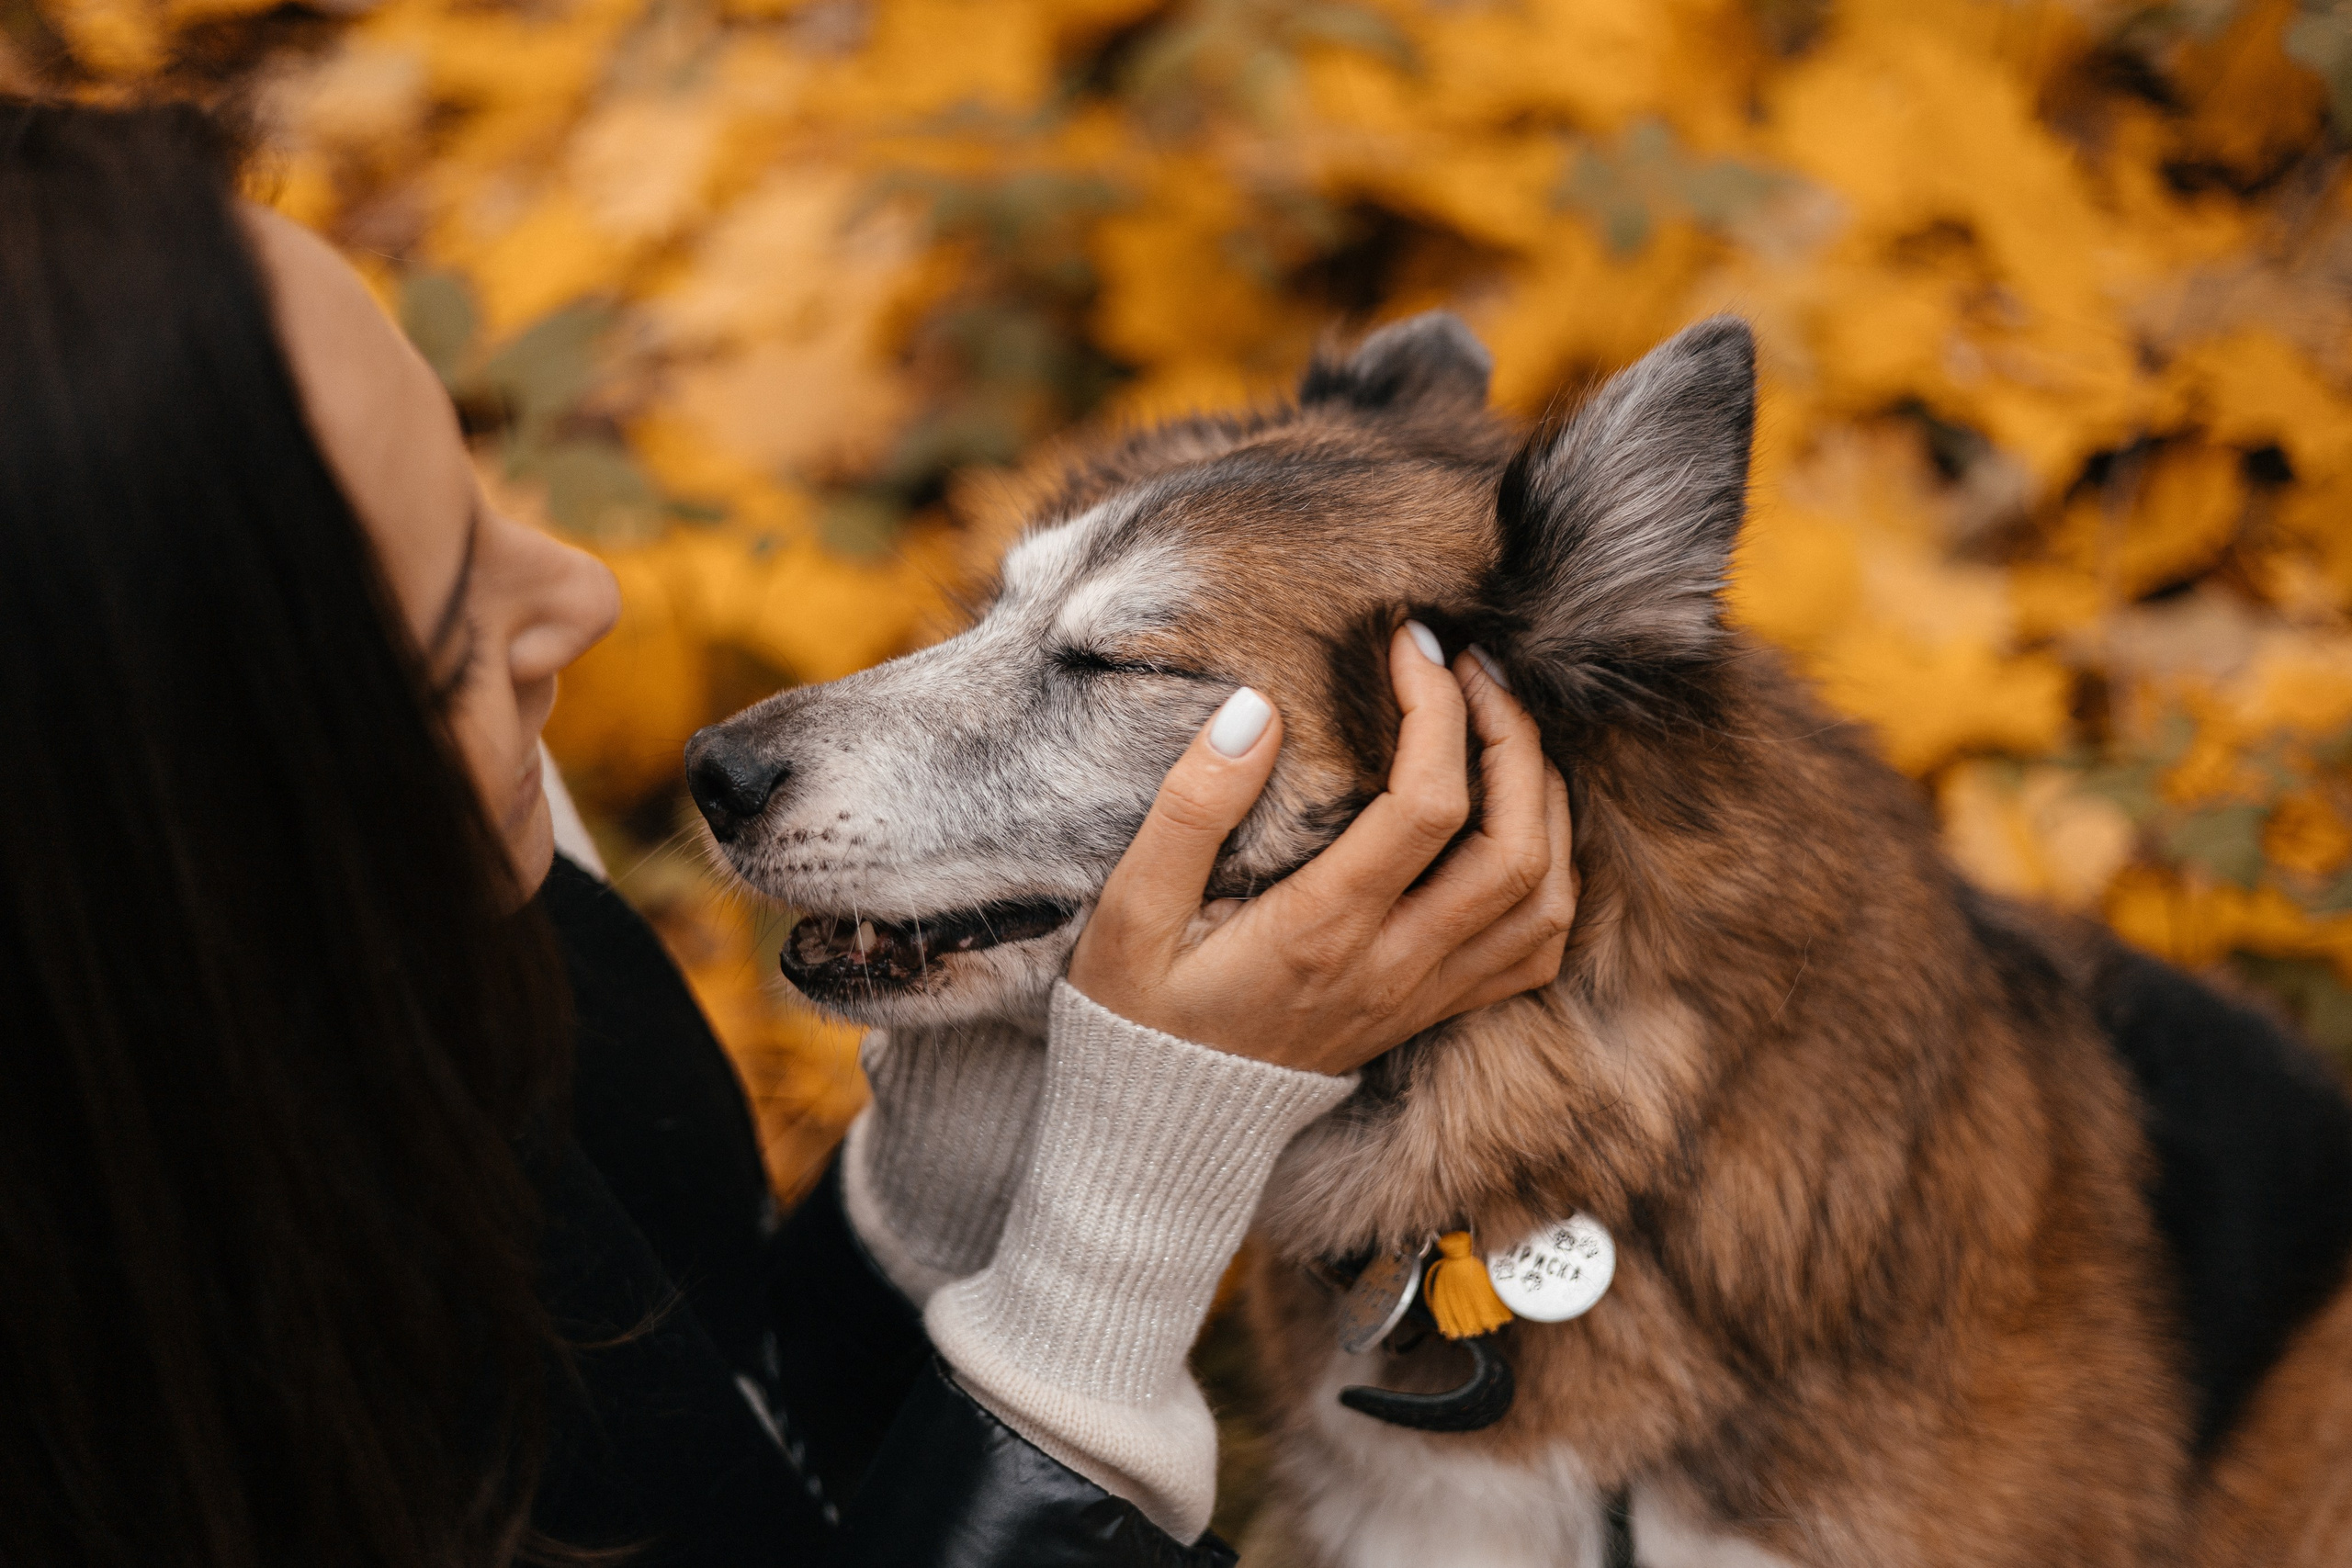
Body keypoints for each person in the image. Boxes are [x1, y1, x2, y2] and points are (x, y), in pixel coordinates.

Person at [0, 96, 1575, 1568]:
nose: (585, 601)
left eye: (475, 489)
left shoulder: (450, 882)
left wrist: (973, 1134)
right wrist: (1120, 1229)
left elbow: (719, 1449)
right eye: (445, 645)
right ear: (154, 861)